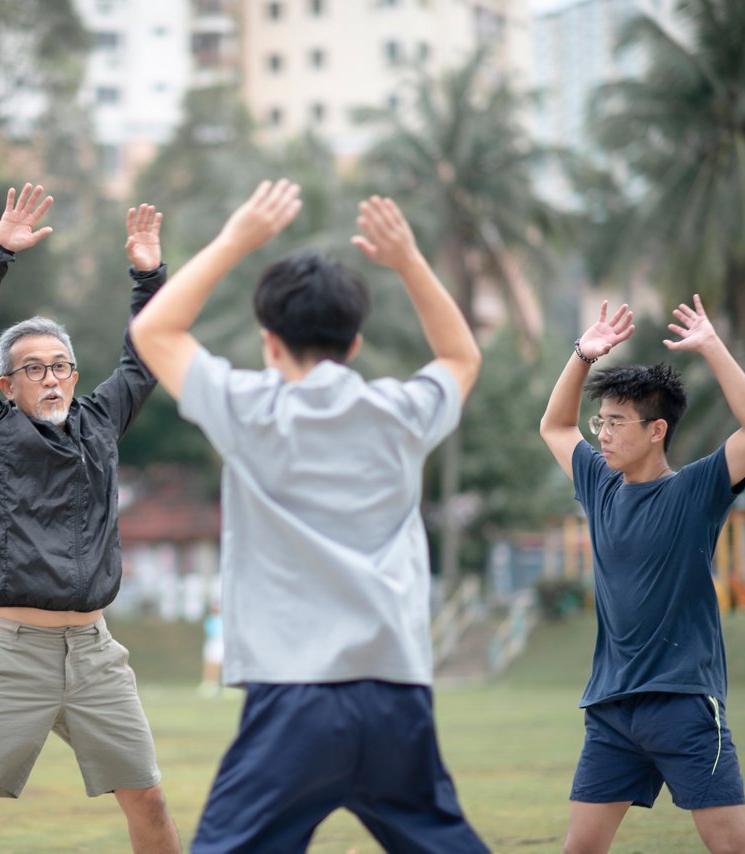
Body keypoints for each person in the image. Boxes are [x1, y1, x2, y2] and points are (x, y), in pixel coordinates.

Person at [129, 179, 489, 852]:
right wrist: (409, 260)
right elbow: (460, 357)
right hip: (395, 693)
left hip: (294, 701)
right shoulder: (401, 413)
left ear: (269, 341)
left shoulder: (248, 409)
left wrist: (238, 238)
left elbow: (155, 330)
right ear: (354, 343)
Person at [0, 184, 179, 853]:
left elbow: (146, 354)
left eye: (60, 367)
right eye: (33, 369)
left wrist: (149, 275)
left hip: (95, 656)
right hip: (14, 652)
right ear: (6, 384)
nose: (51, 379)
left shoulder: (98, 422)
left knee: (149, 800)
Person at [538, 296, 745, 854]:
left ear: (656, 430)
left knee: (734, 849)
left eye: (617, 422)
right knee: (579, 849)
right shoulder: (599, 485)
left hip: (682, 701)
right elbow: (553, 425)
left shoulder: (695, 490)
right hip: (613, 708)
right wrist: (582, 355)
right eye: (602, 420)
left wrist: (712, 347)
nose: (603, 433)